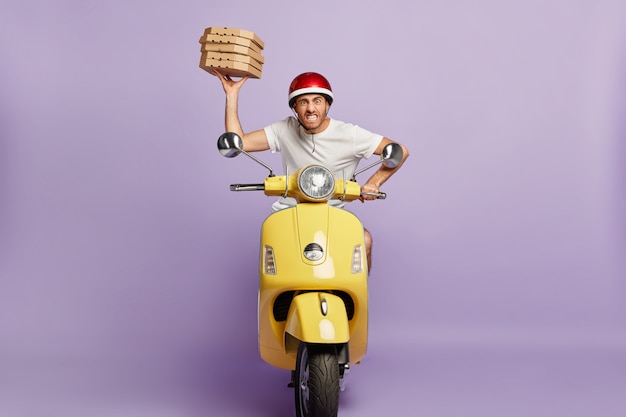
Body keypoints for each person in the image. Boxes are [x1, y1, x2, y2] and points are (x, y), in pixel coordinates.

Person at [212, 69, 409, 271]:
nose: (310, 108)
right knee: (273, 260)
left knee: (364, 241)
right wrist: (231, 95)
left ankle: (358, 301)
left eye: (317, 101)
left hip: (332, 216)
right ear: (295, 108)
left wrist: (374, 183)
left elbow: (399, 150)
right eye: (303, 102)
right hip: (287, 215)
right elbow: (240, 142)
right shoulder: (284, 129)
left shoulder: (349, 134)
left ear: (327, 105)